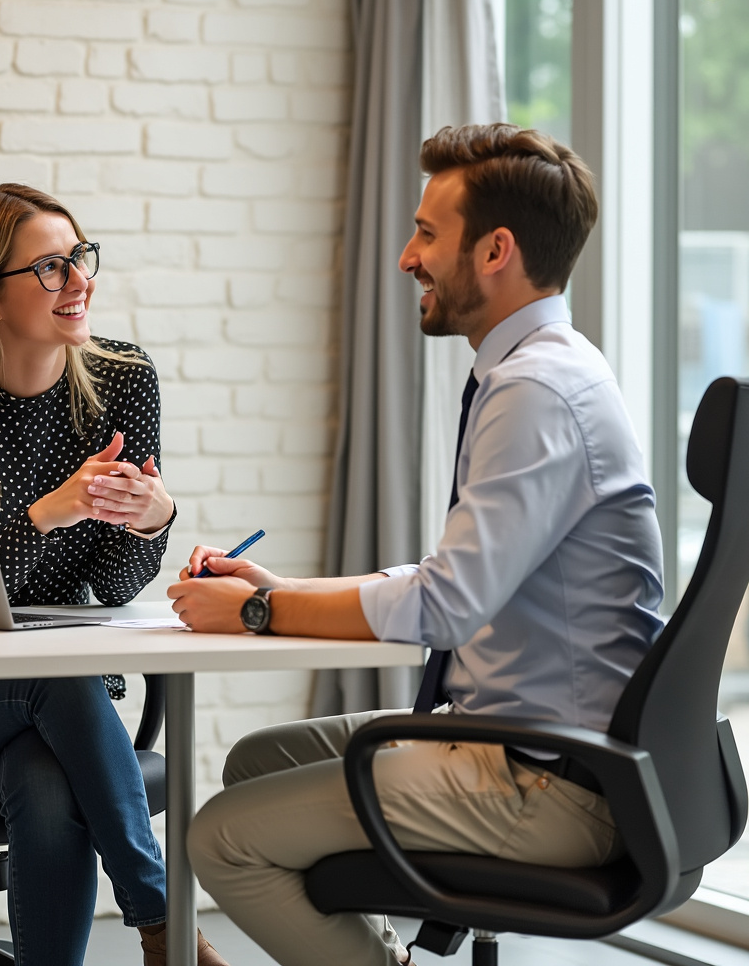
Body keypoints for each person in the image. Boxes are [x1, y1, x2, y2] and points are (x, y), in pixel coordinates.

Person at [167, 124, 665, 966]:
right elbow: (454, 579)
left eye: (427, 233)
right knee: (259, 760)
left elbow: (443, 607)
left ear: (496, 250)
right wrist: (280, 590)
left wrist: (257, 612)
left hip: (548, 782)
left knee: (220, 839)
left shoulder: (535, 390)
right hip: (530, 744)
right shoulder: (549, 366)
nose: (407, 258)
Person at [0, 183, 228, 966]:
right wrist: (49, 512)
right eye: (51, 268)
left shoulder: (122, 380)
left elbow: (117, 586)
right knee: (55, 670)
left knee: (48, 778)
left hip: (56, 706)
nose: (80, 281)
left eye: (80, 258)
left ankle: (154, 932)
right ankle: (163, 922)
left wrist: (151, 519)